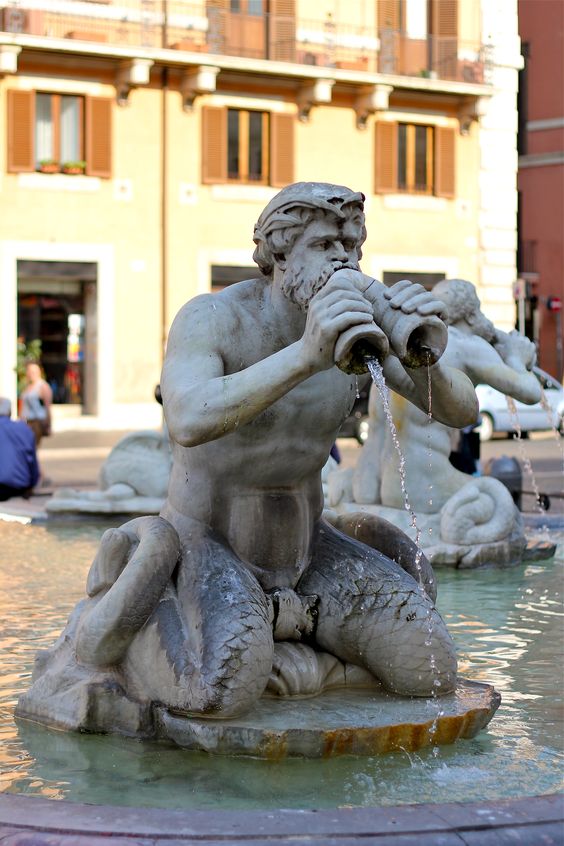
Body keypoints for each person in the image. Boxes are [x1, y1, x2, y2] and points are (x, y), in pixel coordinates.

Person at [44, 183, 480, 722]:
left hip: (307, 548)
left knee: (429, 666)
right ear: (278, 253)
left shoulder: (362, 325)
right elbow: (187, 417)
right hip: (208, 541)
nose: (343, 259)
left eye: (352, 248)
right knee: (220, 692)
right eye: (324, 246)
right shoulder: (213, 319)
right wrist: (304, 356)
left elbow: (461, 411)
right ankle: (150, 616)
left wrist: (423, 355)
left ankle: (310, 646)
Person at [353, 278, 541, 512]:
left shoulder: (397, 348)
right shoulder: (466, 344)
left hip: (369, 487)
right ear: (472, 315)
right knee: (498, 501)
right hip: (423, 487)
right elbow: (531, 392)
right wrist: (515, 356)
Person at [0, 397, 39, 500]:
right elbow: (33, 464)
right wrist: (31, 484)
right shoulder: (24, 429)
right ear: (9, 412)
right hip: (19, 485)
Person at [20, 361, 52, 447]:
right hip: (26, 422)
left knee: (31, 446)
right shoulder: (27, 387)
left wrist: (48, 423)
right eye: (29, 371)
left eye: (33, 371)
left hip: (36, 422)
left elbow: (47, 407)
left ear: (39, 372)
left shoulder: (43, 386)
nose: (31, 374)